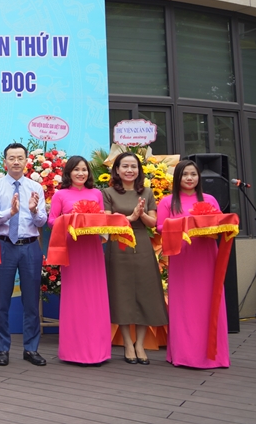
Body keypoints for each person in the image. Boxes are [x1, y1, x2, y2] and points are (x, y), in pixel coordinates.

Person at [156, 160, 229, 368]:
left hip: (206, 256)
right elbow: (160, 227)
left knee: (209, 300)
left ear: (199, 177)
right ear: (177, 177)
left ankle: (214, 355)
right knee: (184, 304)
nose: (189, 178)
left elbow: (220, 223)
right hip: (182, 256)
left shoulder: (209, 199)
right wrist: (184, 224)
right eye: (185, 174)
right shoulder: (168, 202)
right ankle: (184, 354)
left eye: (193, 174)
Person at [0, 143, 48, 367]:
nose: (16, 162)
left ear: (26, 161)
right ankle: (2, 349)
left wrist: (33, 210)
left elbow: (42, 221)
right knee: (1, 301)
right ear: (5, 162)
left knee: (31, 300)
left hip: (30, 246)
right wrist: (10, 212)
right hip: (5, 246)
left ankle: (31, 349)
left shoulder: (35, 187)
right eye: (11, 158)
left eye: (20, 158)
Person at [102, 152, 168, 365]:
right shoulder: (107, 192)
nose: (129, 170)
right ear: (117, 169)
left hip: (141, 245)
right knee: (121, 293)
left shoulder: (146, 192)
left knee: (145, 293)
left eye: (133, 166)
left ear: (139, 170)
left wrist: (142, 215)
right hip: (118, 244)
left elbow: (153, 223)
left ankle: (140, 344)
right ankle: (128, 344)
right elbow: (106, 221)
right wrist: (129, 218)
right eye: (125, 166)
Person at [48, 155, 111, 366]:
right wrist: (70, 220)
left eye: (84, 169)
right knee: (75, 297)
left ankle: (98, 351)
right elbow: (51, 221)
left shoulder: (96, 194)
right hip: (72, 249)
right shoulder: (60, 195)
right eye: (76, 169)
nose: (81, 173)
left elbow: (102, 219)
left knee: (95, 297)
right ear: (68, 172)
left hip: (92, 248)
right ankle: (73, 351)